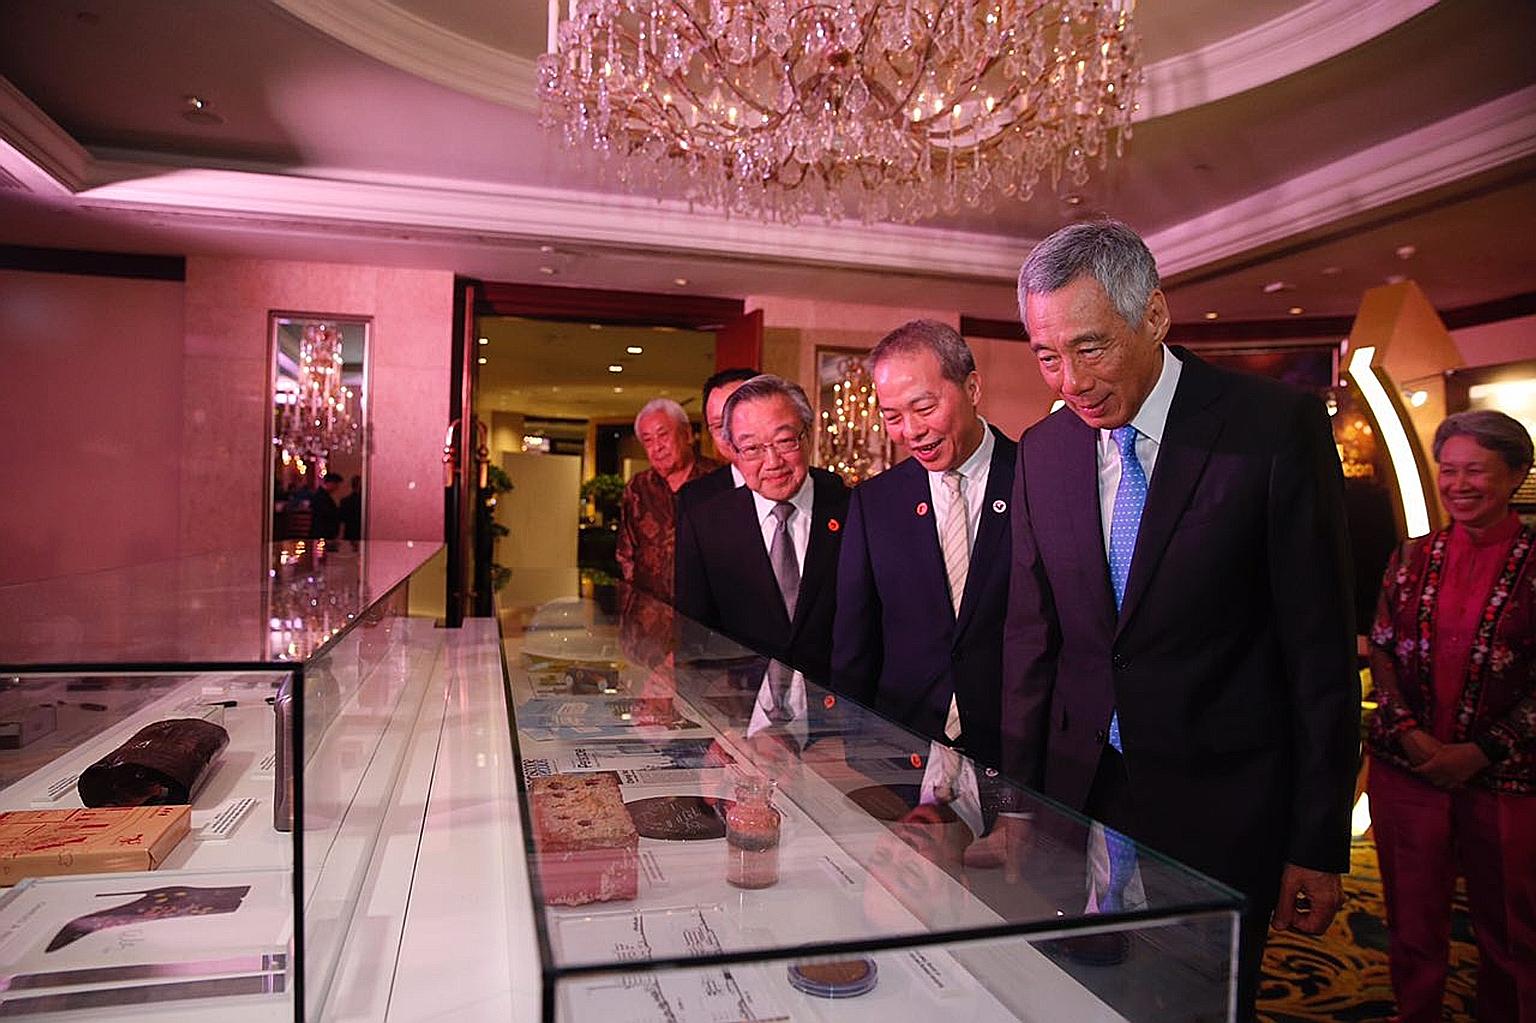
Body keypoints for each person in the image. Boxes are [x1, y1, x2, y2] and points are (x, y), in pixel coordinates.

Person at [1001, 219, 1358, 1017]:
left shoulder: (1273, 430)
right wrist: (1021, 803)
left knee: (1191, 1004)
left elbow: (1319, 654)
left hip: (1220, 809)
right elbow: (1033, 641)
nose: (1069, 381)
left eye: (1089, 347)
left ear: (1154, 316)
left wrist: (1316, 838)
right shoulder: (1044, 450)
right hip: (1077, 801)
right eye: (1046, 355)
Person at [1366, 409, 1535, 1023]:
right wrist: (1410, 735)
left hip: (1509, 780)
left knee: (1513, 931)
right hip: (1407, 772)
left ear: (1517, 475)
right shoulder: (1410, 557)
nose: (1459, 484)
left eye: (1476, 471)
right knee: (1411, 922)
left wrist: (1479, 751)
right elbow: (1381, 648)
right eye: (1449, 471)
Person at [832, 320, 1015, 771]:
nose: (910, 431)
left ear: (971, 388)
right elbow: (856, 641)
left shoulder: (1037, 477)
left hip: (1016, 750)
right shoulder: (875, 502)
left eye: (924, 407)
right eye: (893, 416)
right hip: (903, 748)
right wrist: (861, 756)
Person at [675, 374, 849, 685]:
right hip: (743, 714)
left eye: (784, 441)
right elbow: (693, 639)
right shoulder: (706, 523)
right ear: (733, 451)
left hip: (841, 713)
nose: (772, 462)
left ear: (808, 435)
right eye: (752, 448)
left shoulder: (852, 509)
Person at [615, 397, 720, 602]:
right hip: (650, 615)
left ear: (687, 434)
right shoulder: (637, 488)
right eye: (648, 440)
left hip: (708, 617)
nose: (657, 447)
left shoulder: (719, 481)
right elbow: (625, 553)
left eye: (663, 435)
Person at [678, 367, 758, 513]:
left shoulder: (807, 484)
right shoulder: (695, 497)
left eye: (739, 420)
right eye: (719, 425)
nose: (730, 434)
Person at [309, 472, 344, 540]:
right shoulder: (322, 497)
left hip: (322, 532)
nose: (337, 487)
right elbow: (328, 514)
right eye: (336, 484)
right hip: (323, 532)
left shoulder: (322, 495)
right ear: (330, 483)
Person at [339, 474, 363, 541]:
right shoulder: (364, 502)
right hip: (361, 532)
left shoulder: (345, 501)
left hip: (348, 532)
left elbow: (341, 519)